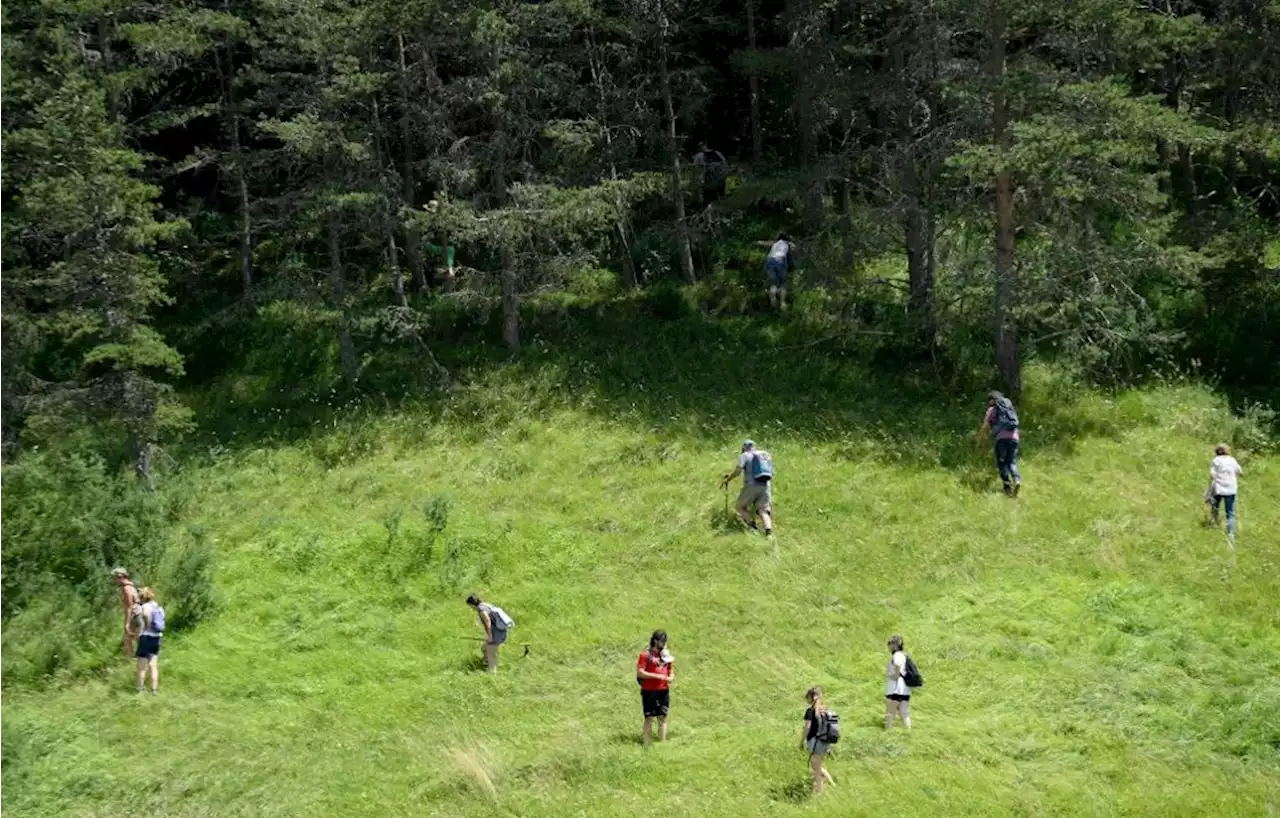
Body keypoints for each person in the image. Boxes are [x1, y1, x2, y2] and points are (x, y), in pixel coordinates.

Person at [720, 439, 774, 537]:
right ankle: (769, 533)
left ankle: (752, 527)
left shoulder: (744, 455)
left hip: (751, 486)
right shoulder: (766, 455)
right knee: (763, 510)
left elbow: (737, 472)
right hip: (766, 486)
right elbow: (772, 472)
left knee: (740, 507)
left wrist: (728, 480)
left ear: (744, 448)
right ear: (755, 446)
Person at [976, 390, 1022, 496]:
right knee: (1011, 461)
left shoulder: (992, 409)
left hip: (1001, 438)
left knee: (1001, 462)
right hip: (1014, 437)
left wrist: (979, 439)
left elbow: (985, 426)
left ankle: (1007, 486)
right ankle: (1017, 480)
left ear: (992, 400)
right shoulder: (1009, 406)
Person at [636, 630, 674, 746]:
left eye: (664, 641)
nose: (663, 643)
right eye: (661, 641)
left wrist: (671, 677)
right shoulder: (645, 655)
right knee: (649, 717)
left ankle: (663, 743)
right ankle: (646, 743)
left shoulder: (665, 655)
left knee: (662, 717)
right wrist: (657, 676)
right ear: (655, 641)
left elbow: (670, 671)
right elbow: (640, 673)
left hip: (663, 690)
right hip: (649, 691)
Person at [800, 686, 837, 794]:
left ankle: (819, 792)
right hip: (825, 741)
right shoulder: (824, 709)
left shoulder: (810, 711)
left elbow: (807, 727)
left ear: (811, 697)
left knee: (815, 767)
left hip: (815, 742)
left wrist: (801, 742)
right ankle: (832, 785)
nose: (806, 699)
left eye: (807, 697)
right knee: (817, 766)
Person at [466, 593, 513, 674]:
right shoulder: (486, 605)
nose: (471, 608)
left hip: (495, 633)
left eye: (470, 606)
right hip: (502, 631)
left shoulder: (481, 609)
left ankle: (492, 673)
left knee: (491, 653)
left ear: (472, 604)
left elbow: (487, 620)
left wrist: (490, 636)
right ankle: (486, 663)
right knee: (484, 648)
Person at [1206, 443, 1243, 541]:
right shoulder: (1232, 460)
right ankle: (1231, 534)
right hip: (1231, 489)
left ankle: (1214, 524)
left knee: (1215, 507)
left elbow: (1212, 474)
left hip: (1218, 488)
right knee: (1230, 512)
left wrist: (1209, 487)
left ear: (1216, 452)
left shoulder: (1216, 461)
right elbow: (1240, 471)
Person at [135, 587, 164, 694]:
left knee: (142, 666)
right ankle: (154, 689)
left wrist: (147, 625)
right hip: (156, 637)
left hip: (146, 637)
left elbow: (146, 614)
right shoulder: (158, 607)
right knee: (153, 664)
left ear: (142, 597)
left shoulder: (146, 606)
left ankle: (139, 689)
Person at [754, 235, 794, 311]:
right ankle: (782, 303)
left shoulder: (775, 243)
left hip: (770, 260)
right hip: (780, 260)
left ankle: (772, 294)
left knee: (773, 283)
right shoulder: (787, 243)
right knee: (783, 283)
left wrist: (756, 242)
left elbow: (763, 243)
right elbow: (793, 247)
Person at [111, 567, 141, 659]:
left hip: (135, 615)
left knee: (128, 639)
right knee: (136, 637)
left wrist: (127, 623)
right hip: (140, 614)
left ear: (120, 577)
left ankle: (130, 659)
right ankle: (142, 657)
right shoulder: (132, 586)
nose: (114, 580)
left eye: (115, 578)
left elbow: (129, 607)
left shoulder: (126, 589)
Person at [885, 635, 911, 729]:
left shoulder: (897, 655)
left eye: (889, 644)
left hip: (896, 689)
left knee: (890, 713)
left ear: (894, 645)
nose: (888, 646)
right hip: (905, 690)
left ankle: (888, 732)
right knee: (904, 713)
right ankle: (908, 732)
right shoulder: (903, 655)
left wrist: (895, 676)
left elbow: (897, 664)